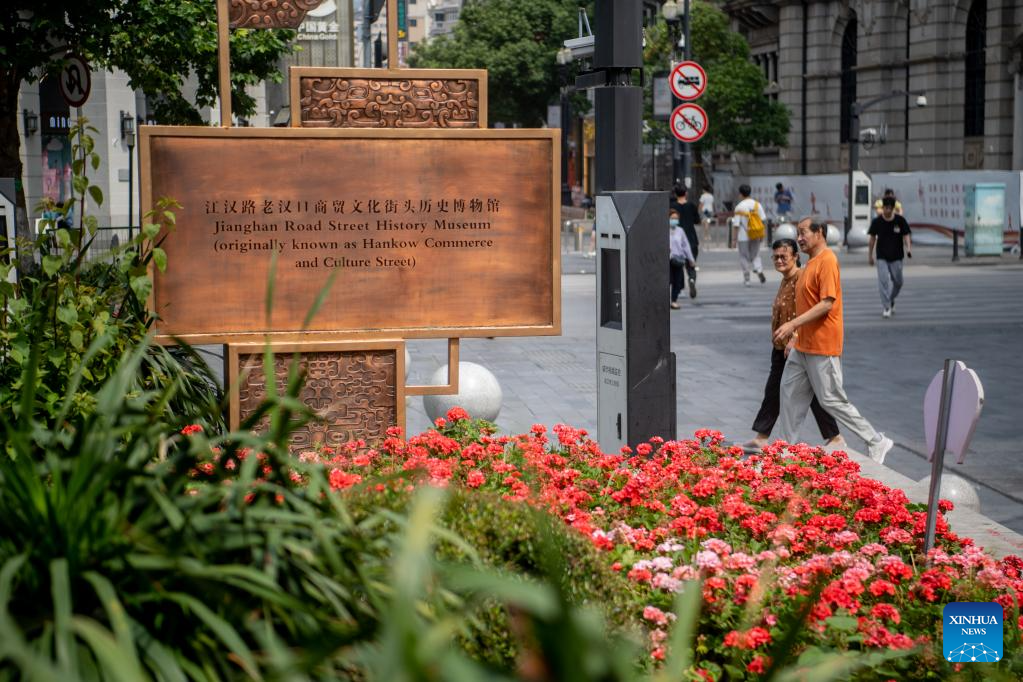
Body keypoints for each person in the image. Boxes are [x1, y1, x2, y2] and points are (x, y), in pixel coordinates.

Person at [774, 217, 894, 464]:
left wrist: (792, 325)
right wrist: (795, 336)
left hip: (822, 344)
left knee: (831, 399)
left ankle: (875, 440)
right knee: (788, 392)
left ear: (819, 233)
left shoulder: (827, 261)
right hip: (803, 345)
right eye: (798, 233)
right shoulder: (810, 264)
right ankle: (787, 448)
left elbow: (827, 303)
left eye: (804, 232)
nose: (800, 238)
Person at [744, 239, 842, 451]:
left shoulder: (801, 278)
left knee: (813, 392)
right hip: (780, 347)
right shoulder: (786, 279)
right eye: (776, 257)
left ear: (795, 257)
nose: (779, 261)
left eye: (784, 257)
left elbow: (808, 311)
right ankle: (762, 436)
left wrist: (796, 337)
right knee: (775, 390)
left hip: (796, 346)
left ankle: (834, 437)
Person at [868, 196, 912, 319]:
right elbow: (872, 239)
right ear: (882, 208)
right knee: (883, 282)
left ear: (893, 208)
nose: (887, 211)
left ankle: (891, 299)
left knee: (898, 282)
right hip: (881, 256)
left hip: (897, 256)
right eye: (885, 208)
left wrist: (908, 248)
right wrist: (870, 256)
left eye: (889, 208)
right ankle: (886, 307)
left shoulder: (900, 220)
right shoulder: (877, 222)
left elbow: (906, 235)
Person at [733, 184, 767, 287]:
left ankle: (747, 279)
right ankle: (758, 269)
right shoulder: (757, 205)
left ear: (740, 194)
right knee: (756, 254)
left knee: (744, 256)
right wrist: (762, 234)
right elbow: (763, 220)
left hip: (743, 235)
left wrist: (734, 239)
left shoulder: (739, 207)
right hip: (756, 233)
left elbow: (736, 225)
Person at [670, 185, 701, 298]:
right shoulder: (691, 205)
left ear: (675, 194)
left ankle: (681, 288)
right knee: (691, 263)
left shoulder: (672, 206)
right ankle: (692, 279)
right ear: (686, 193)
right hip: (691, 238)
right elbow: (697, 220)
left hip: (676, 239)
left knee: (678, 265)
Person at [668, 208, 695, 310]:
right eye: (672, 218)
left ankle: (674, 301)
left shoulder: (680, 231)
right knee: (668, 281)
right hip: (668, 260)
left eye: (676, 218)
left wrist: (691, 259)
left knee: (677, 282)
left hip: (679, 260)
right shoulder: (663, 230)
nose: (674, 220)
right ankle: (666, 300)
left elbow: (686, 246)